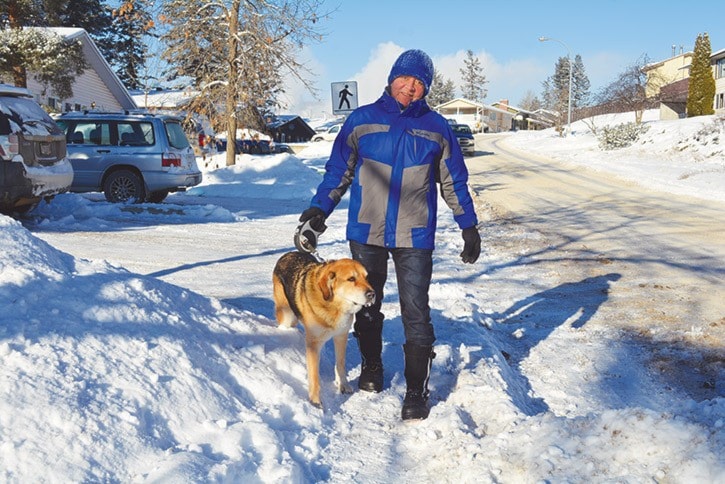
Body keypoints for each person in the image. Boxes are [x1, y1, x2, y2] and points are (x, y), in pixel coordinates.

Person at [297, 49, 481, 421]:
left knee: (416, 312)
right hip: (367, 230)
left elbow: (453, 181)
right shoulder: (361, 120)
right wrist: (319, 210)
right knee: (365, 303)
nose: (410, 88)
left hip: (415, 234)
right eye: (405, 79)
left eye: (419, 83)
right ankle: (372, 369)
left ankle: (416, 392)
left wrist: (468, 225)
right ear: (392, 77)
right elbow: (338, 171)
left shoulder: (437, 127)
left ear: (426, 88)